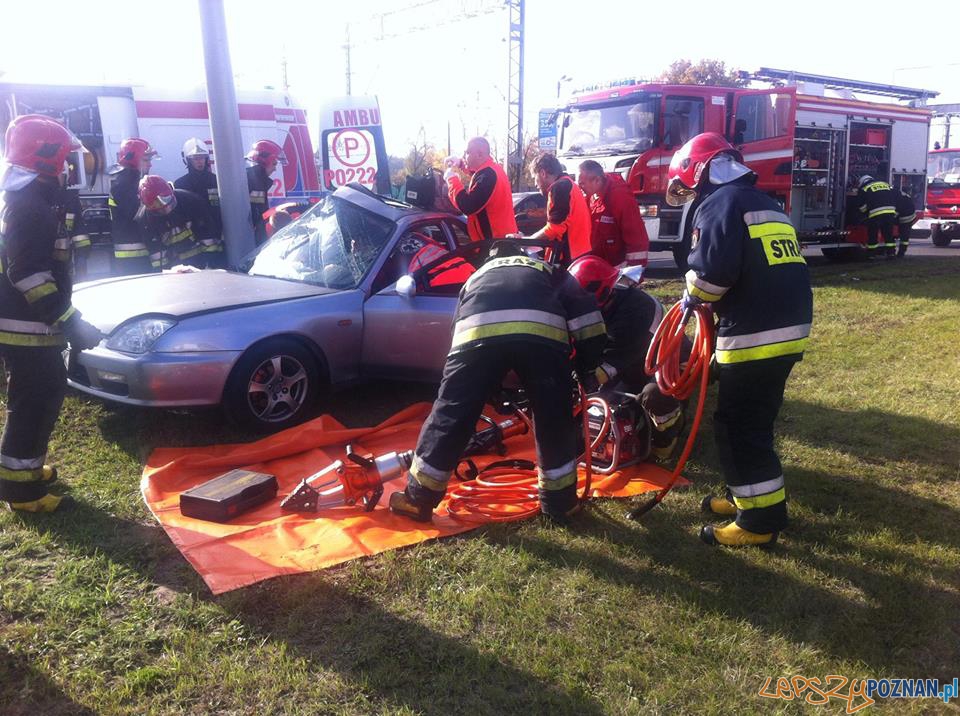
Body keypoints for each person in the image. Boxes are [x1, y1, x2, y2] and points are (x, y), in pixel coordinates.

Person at [389, 240, 606, 523]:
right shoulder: (547, 269)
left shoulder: (475, 278)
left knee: (450, 415)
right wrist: (587, 364)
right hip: (543, 345)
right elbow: (587, 317)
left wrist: (483, 385)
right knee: (554, 418)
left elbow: (458, 329)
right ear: (522, 255)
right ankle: (560, 504)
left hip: (474, 342)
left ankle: (418, 500)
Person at [665, 132, 812, 547]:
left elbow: (712, 278)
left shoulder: (720, 204)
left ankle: (760, 522)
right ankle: (746, 497)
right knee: (755, 423)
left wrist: (690, 294)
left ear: (699, 170)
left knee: (738, 428)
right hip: (787, 329)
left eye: (689, 184)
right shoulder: (765, 204)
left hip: (754, 335)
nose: (691, 193)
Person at [0, 115, 102, 512]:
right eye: (66, 159)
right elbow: (28, 273)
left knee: (38, 395)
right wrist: (71, 322)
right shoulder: (30, 205)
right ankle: (22, 493)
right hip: (27, 325)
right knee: (35, 399)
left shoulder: (29, 198)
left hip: (27, 322)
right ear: (48, 159)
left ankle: (26, 472)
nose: (70, 168)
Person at [568, 255, 685, 461]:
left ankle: (665, 442)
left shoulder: (636, 311)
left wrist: (573, 387)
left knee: (653, 396)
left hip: (667, 365)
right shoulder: (603, 301)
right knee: (602, 408)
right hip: (630, 362)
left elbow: (609, 363)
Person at [577, 160, 649, 268]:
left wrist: (631, 275)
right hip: (599, 267)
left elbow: (636, 237)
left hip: (617, 271)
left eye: (582, 184)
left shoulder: (620, 197)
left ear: (597, 180)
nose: (580, 188)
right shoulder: (592, 196)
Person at [443, 137, 518, 242]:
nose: (464, 156)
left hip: (494, 244)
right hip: (502, 239)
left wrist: (451, 179)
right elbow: (478, 176)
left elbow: (467, 206)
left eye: (467, 152)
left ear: (480, 154)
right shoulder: (493, 169)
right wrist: (461, 163)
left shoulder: (488, 175)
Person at [524, 153, 591, 263]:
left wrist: (527, 241)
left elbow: (554, 228)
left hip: (569, 257)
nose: (535, 184)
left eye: (534, 178)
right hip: (579, 253)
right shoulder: (568, 184)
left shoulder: (559, 187)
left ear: (542, 173)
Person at [136, 176, 214, 270]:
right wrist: (165, 275)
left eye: (166, 201)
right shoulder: (145, 220)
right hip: (174, 269)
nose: (166, 209)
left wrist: (211, 265)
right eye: (159, 208)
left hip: (201, 261)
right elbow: (157, 256)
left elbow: (208, 236)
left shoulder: (191, 201)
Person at [108, 137, 157, 275]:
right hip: (132, 257)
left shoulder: (132, 183)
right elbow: (139, 215)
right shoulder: (123, 186)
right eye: (146, 160)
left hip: (139, 252)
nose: (150, 165)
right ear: (134, 160)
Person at [173, 138, 224, 267]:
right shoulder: (180, 184)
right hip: (192, 242)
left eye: (202, 157)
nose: (200, 161)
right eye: (195, 158)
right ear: (187, 160)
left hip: (216, 237)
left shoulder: (216, 181)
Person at [246, 139, 285, 245]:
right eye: (274, 163)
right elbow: (259, 215)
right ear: (265, 161)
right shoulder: (256, 182)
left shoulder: (255, 178)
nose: (275, 169)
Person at [856, 175, 897, 258]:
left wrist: (865, 213)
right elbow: (895, 196)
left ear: (862, 182)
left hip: (875, 214)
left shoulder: (864, 188)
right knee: (888, 234)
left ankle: (871, 254)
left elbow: (862, 206)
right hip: (890, 212)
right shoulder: (886, 185)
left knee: (873, 234)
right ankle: (891, 253)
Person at [894, 187, 917, 258]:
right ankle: (900, 252)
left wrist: (891, 218)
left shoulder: (896, 197)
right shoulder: (899, 194)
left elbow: (897, 210)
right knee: (904, 235)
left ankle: (900, 253)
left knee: (903, 234)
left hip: (907, 215)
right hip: (909, 213)